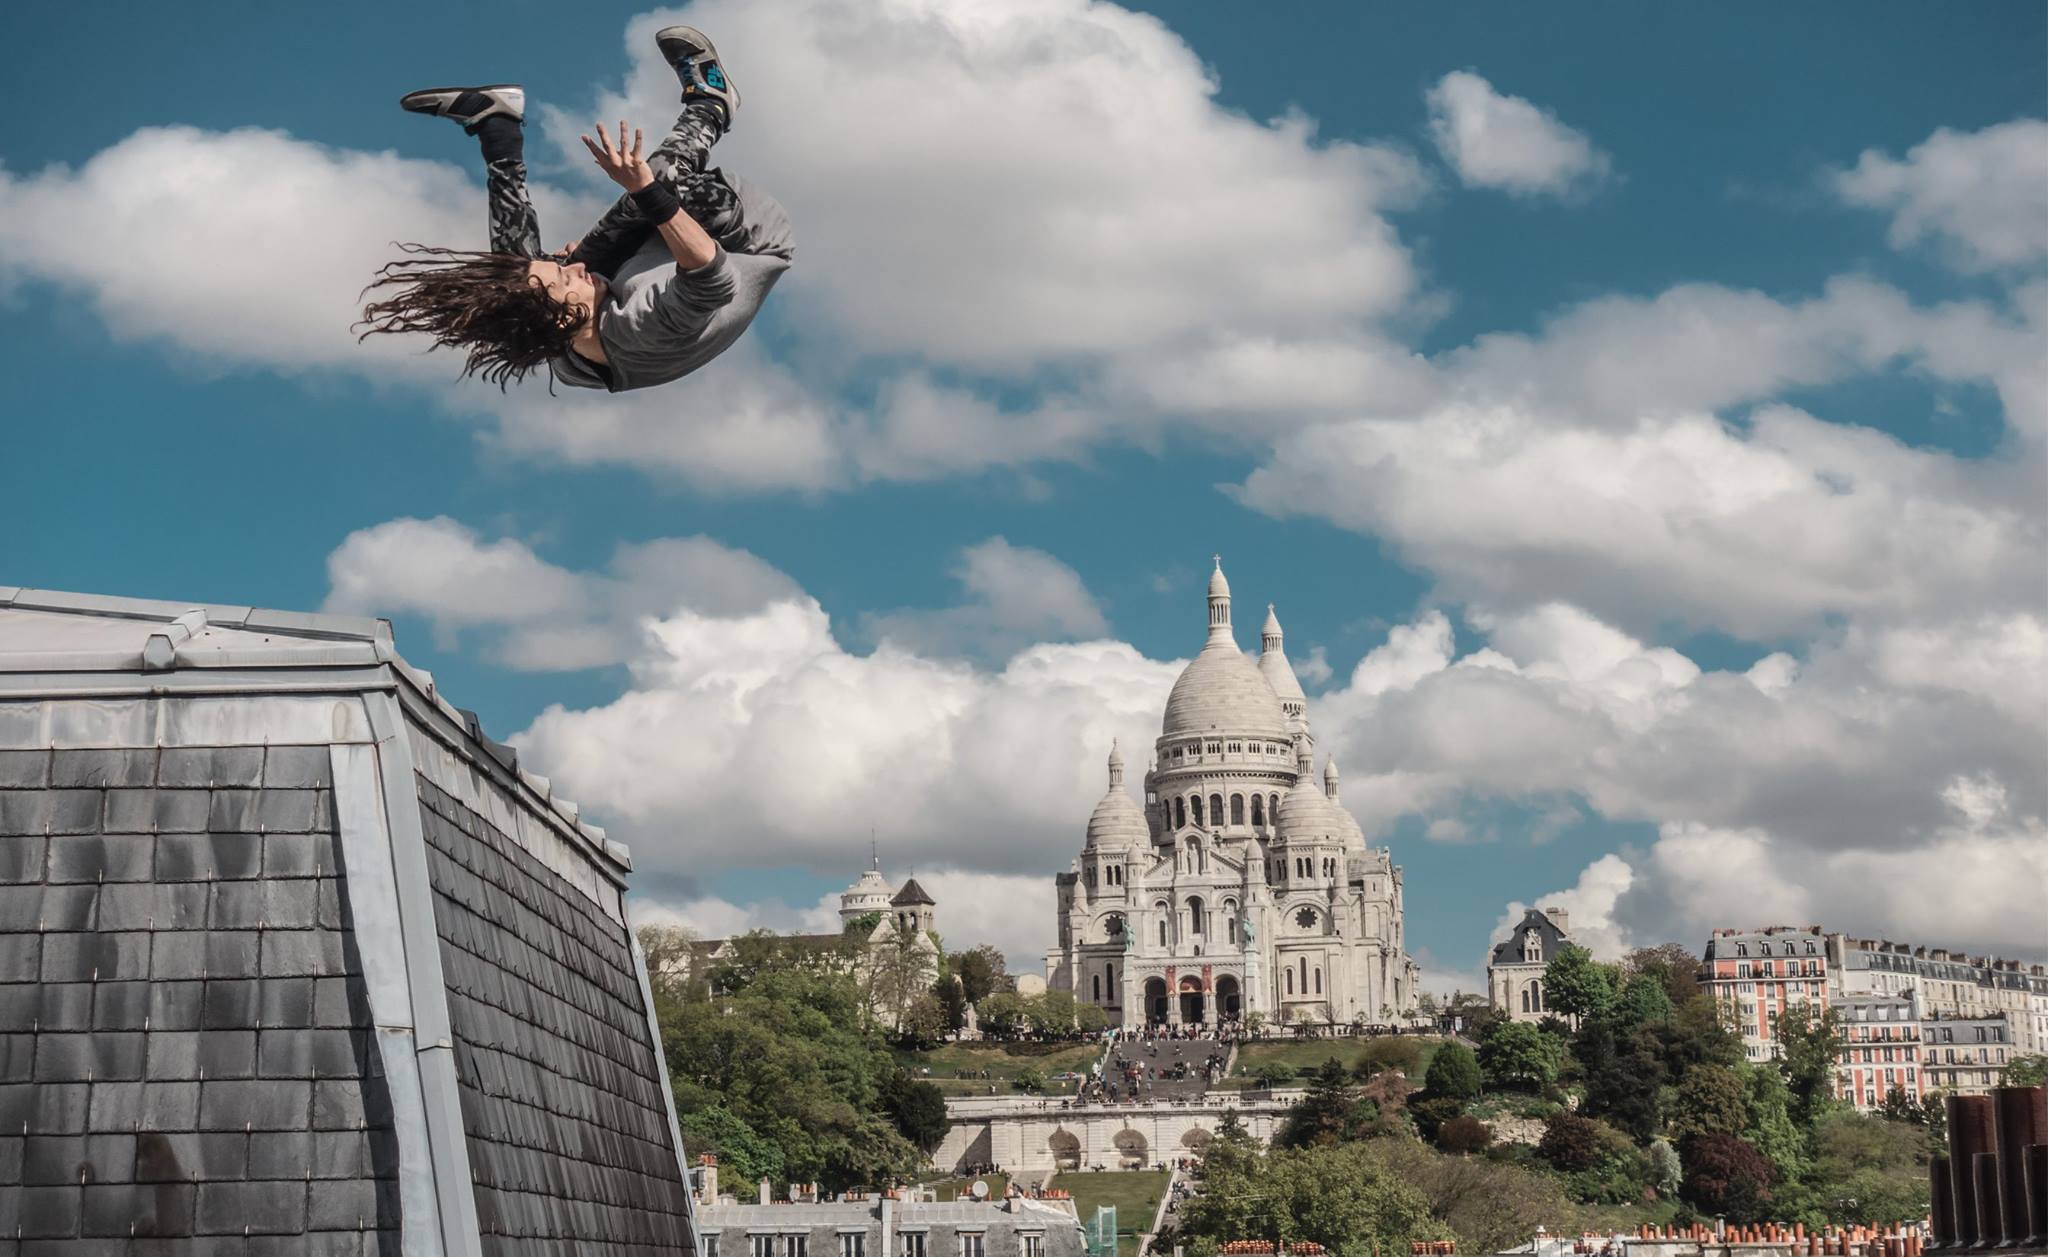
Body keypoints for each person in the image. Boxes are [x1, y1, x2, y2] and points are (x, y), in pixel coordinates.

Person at [359, 26, 792, 392]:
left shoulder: (557, 336)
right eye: (567, 277)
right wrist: (642, 190)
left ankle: (496, 124)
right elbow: (713, 278)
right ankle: (712, 102)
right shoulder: (641, 328)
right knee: (656, 179)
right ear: (566, 315)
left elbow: (524, 303)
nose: (575, 266)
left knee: (514, 276)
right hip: (743, 239)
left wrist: (558, 270)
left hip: (648, 267)